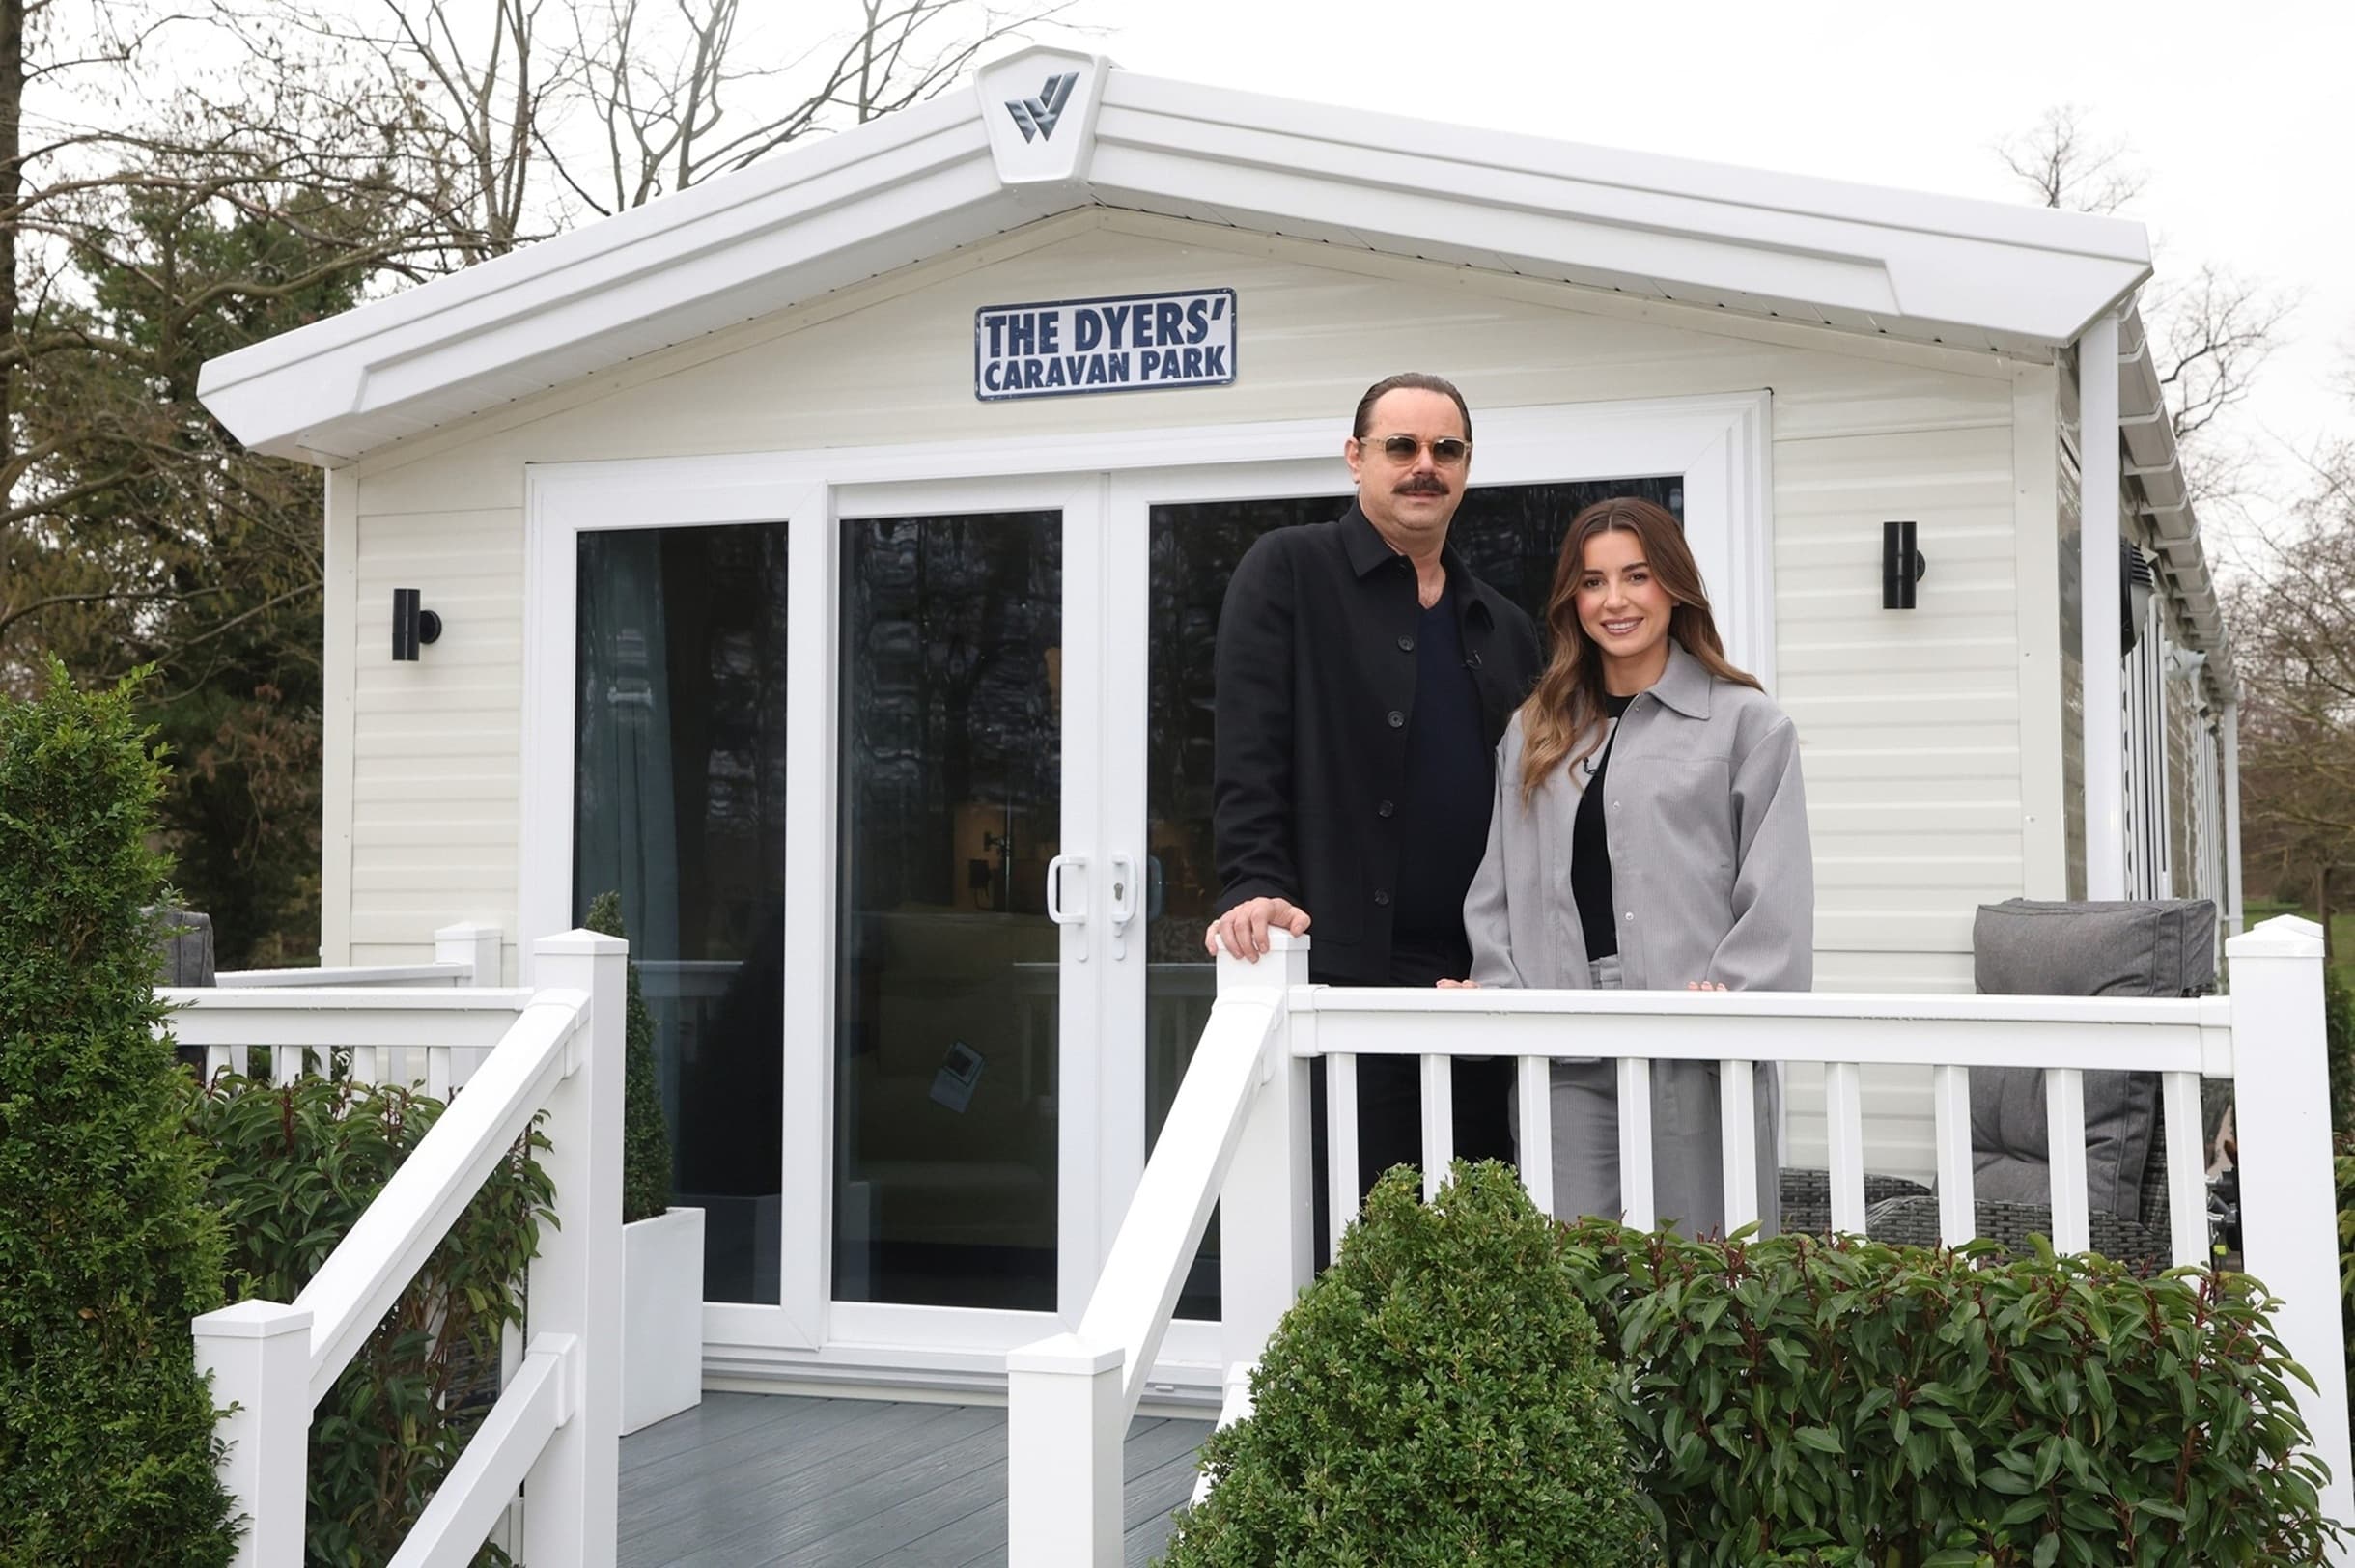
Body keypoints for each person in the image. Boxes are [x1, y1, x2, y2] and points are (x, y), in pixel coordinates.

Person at [1207, 371, 1543, 1203]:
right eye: (1401, 446)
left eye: (1445, 449)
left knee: (1477, 1226)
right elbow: (1249, 748)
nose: (1423, 465)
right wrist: (1253, 883)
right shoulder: (1288, 571)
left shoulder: (1501, 624)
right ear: (1356, 459)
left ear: (1466, 466)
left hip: (1477, 981)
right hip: (1346, 970)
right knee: (1357, 1225)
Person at [1449, 494, 1810, 1237]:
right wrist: (1497, 989)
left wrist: (1737, 999)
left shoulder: (1746, 723)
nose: (1613, 601)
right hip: (1564, 1040)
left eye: (1635, 577)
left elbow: (1776, 890)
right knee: (1569, 1271)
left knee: (1707, 1273)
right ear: (1570, 600)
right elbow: (1497, 883)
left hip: (1693, 1042)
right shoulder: (1536, 728)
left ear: (1672, 587)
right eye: (1591, 581)